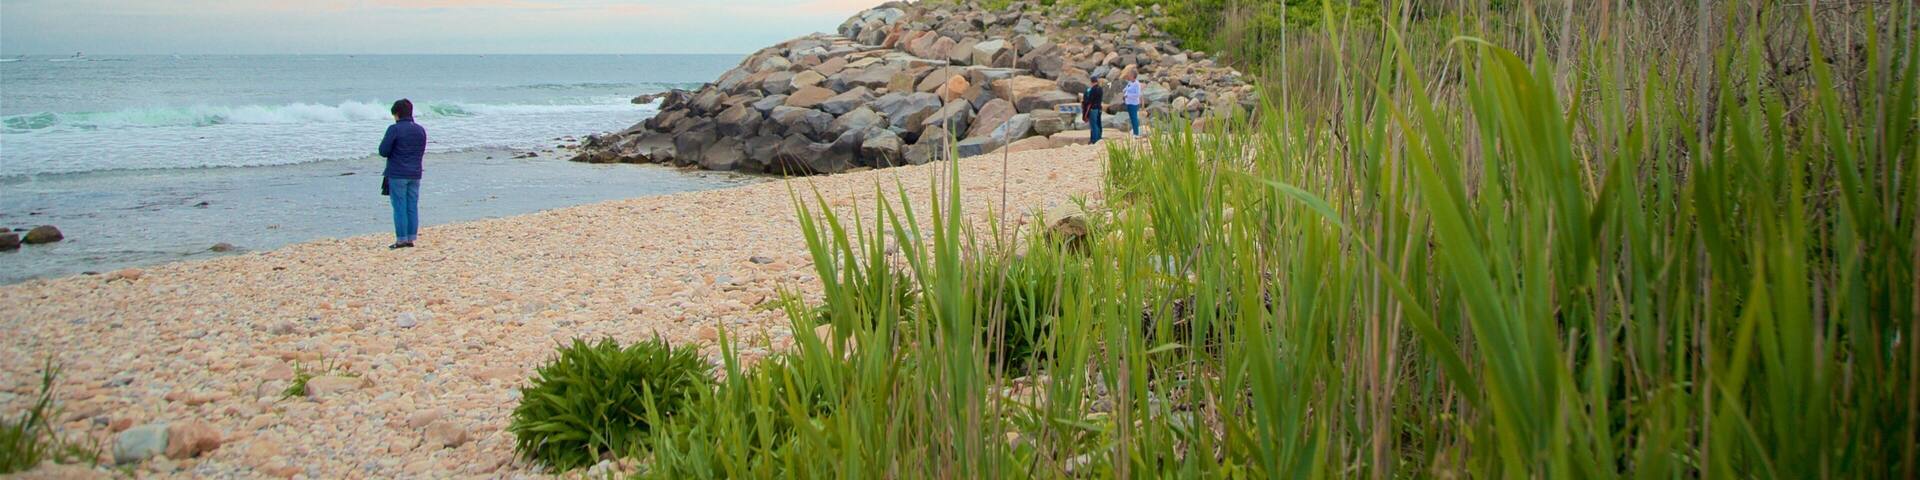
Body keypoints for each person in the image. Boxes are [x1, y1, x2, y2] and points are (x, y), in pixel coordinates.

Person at [378, 99, 427, 249]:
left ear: (397, 113)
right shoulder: (420, 129)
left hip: (398, 173)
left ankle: (401, 240)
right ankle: (411, 238)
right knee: (412, 205)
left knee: (399, 206)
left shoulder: (394, 129)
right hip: (415, 172)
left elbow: (383, 151)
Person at [1122, 65, 1144, 137]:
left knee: (1134, 118)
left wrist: (1128, 96)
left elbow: (1138, 94)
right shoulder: (1130, 82)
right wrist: (1124, 92)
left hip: (1134, 103)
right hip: (1128, 102)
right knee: (1131, 118)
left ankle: (1136, 133)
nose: (1128, 76)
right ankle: (1134, 131)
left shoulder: (1137, 84)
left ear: (1133, 76)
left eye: (1130, 75)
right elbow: (1126, 89)